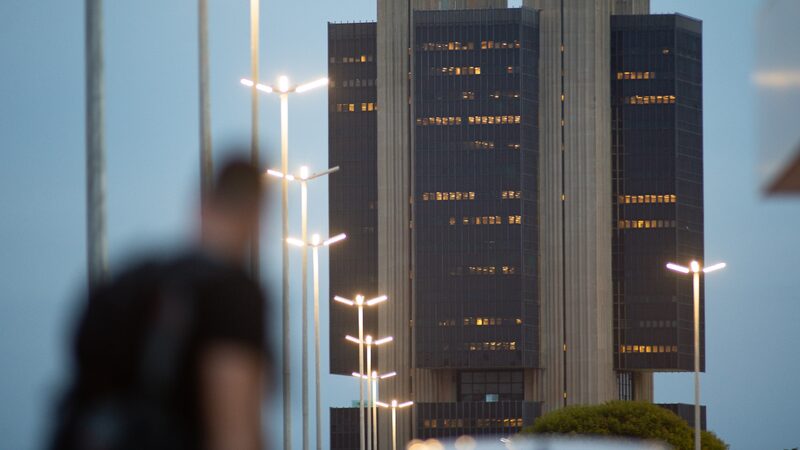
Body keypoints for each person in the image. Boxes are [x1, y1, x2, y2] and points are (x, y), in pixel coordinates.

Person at [51, 159, 271, 450]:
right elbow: (233, 431)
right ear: (255, 214)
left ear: (201, 206)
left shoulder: (129, 279)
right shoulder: (233, 294)